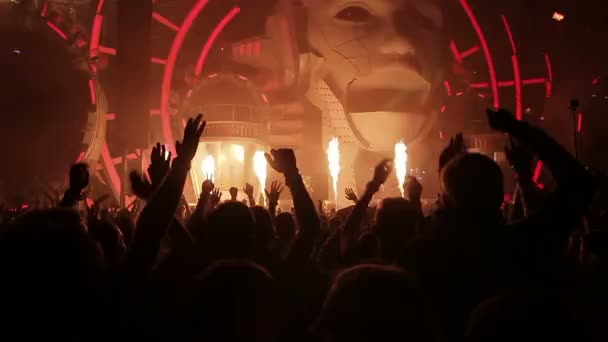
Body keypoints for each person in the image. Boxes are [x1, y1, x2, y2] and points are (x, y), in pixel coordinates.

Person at [399, 109, 593, 340]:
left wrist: (445, 173)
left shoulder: (419, 257)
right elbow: (578, 183)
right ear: (499, 197)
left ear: (445, 199)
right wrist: (517, 129)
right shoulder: (526, 245)